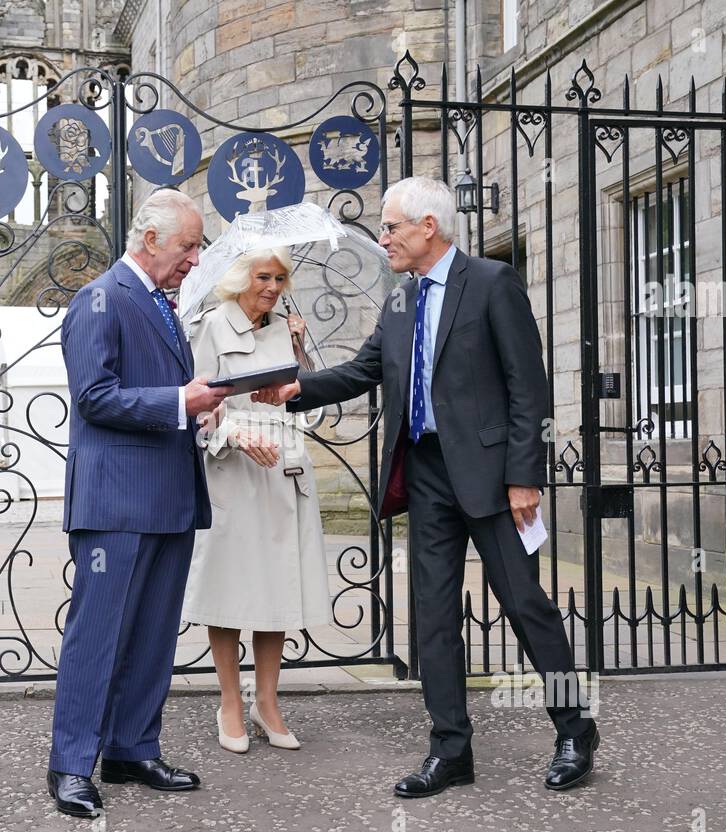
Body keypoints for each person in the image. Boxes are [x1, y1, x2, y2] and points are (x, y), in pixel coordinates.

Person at [253, 176, 600, 795]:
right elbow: (364, 369)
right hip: (427, 473)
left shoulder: (492, 285)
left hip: (493, 480)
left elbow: (528, 387)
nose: (383, 237)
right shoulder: (400, 299)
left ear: (427, 228)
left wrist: (525, 477)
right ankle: (451, 750)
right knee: (434, 617)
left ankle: (574, 728)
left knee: (526, 605)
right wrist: (296, 389)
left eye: (390, 226)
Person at [48, 189, 232, 818]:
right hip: (115, 504)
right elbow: (94, 397)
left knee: (154, 635)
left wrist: (197, 409)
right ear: (151, 240)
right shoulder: (98, 299)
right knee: (97, 636)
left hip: (167, 499)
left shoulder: (158, 301)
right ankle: (71, 765)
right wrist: (181, 403)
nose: (195, 258)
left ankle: (131, 749)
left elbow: (158, 393)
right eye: (188, 246)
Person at [181, 249, 332, 754]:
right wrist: (234, 436)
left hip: (284, 466)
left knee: (277, 591)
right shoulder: (211, 327)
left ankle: (267, 703)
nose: (272, 285)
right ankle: (229, 700)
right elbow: (197, 405)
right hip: (234, 466)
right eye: (263, 276)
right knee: (228, 588)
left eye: (280, 277)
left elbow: (298, 396)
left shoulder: (285, 326)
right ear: (241, 277)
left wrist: (299, 347)